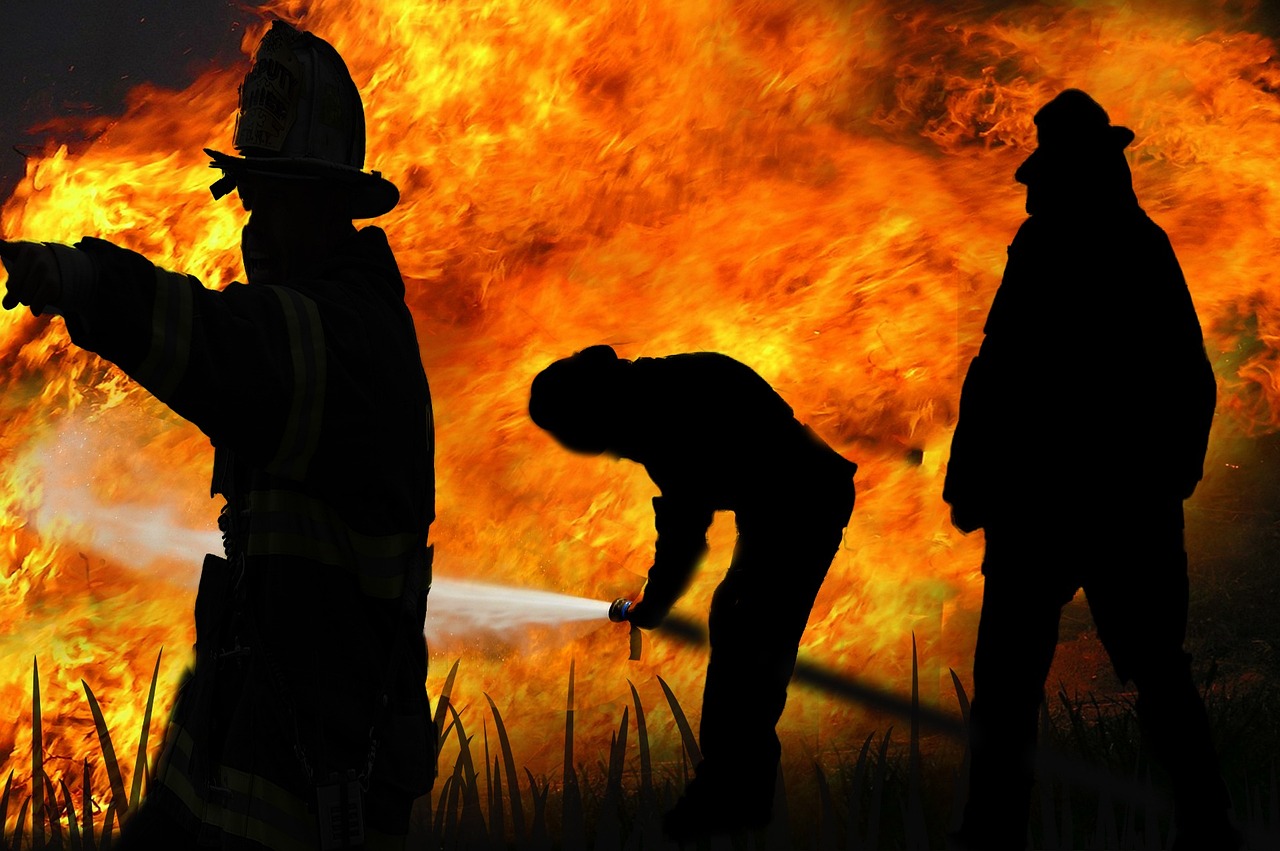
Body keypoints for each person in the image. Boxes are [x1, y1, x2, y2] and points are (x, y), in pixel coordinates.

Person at [1, 21, 436, 850]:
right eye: (249, 196)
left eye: (276, 198)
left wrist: (85, 278)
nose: (253, 224)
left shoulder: (345, 344)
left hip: (320, 803)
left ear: (331, 207)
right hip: (255, 758)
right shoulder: (325, 325)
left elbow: (218, 346)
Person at [943, 89, 1236, 850]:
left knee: (1077, 681)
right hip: (1063, 504)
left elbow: (1180, 378)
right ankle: (1201, 829)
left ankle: (1203, 828)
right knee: (1043, 685)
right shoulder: (1076, 245)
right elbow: (999, 369)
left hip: (1086, 504)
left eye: (1046, 172)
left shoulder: (1118, 248)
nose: (1034, 187)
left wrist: (1165, 476)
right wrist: (973, 477)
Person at [528, 345, 857, 840]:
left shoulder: (665, 413)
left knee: (748, 637)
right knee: (741, 626)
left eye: (585, 438)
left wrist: (654, 604)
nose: (605, 452)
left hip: (803, 504)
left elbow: (684, 529)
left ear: (595, 411)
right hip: (783, 506)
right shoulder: (661, 392)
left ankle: (726, 799)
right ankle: (736, 797)